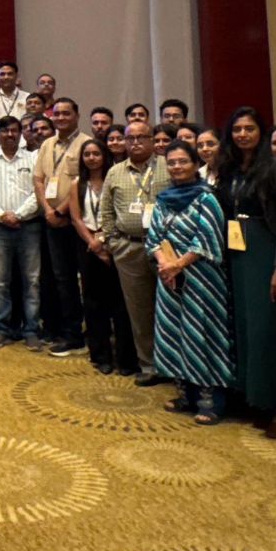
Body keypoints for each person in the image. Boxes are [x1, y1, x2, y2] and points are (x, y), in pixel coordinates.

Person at [219, 107, 276, 437]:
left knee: (273, 330)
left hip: (268, 254)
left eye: (250, 128)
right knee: (249, 331)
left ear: (261, 132)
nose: (243, 134)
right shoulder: (230, 169)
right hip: (239, 255)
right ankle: (261, 400)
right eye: (237, 129)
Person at [148, 141, 233, 424]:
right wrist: (165, 263)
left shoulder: (207, 198)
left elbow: (208, 238)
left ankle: (211, 402)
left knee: (202, 334)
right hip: (169, 279)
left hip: (201, 278)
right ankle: (186, 395)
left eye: (183, 161)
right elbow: (154, 237)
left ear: (197, 164)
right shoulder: (163, 199)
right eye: (171, 162)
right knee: (174, 333)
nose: (177, 167)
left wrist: (178, 264)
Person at [100, 120, 168, 386]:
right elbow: (106, 211)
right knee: (139, 312)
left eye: (142, 137)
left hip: (166, 249)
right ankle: (149, 365)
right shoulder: (115, 172)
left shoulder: (168, 166)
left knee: (171, 308)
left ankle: (175, 366)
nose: (136, 143)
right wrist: (113, 242)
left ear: (152, 140)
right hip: (129, 249)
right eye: (131, 138)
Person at [70, 137, 137, 376]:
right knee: (93, 302)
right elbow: (76, 218)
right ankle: (101, 356)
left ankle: (126, 358)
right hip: (88, 247)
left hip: (114, 243)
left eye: (96, 154)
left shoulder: (116, 178)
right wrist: (93, 243)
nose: (91, 158)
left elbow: (120, 213)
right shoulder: (77, 183)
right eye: (87, 154)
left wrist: (105, 241)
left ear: (104, 156)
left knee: (120, 303)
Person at [0, 115, 41, 350]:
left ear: (21, 133)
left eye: (14, 130)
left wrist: (19, 215)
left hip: (28, 227)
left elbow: (38, 192)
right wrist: (2, 214)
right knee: (0, 282)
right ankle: (1, 329)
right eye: (5, 131)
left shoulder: (33, 159)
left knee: (32, 281)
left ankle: (31, 330)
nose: (10, 135)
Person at [34, 98, 90, 357]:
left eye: (66, 113)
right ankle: (67, 332)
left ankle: (82, 334)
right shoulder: (48, 144)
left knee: (80, 280)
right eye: (57, 114)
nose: (61, 118)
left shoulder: (86, 144)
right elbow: (38, 179)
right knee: (60, 279)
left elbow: (83, 182)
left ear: (77, 115)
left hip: (76, 222)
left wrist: (60, 211)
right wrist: (48, 209)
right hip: (51, 220)